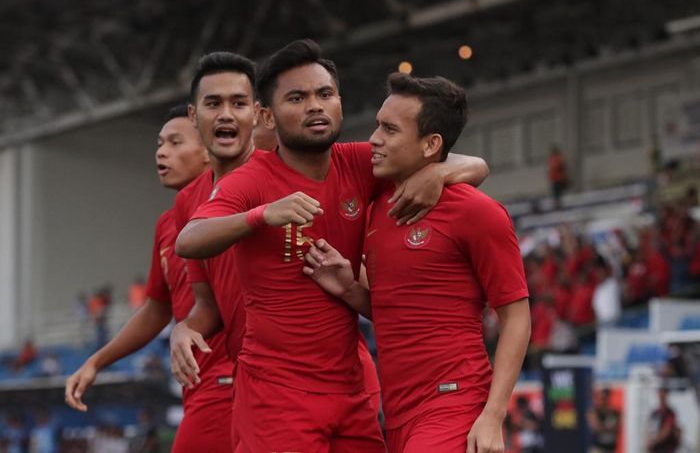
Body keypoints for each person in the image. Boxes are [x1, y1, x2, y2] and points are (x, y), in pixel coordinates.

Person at [175, 39, 489, 452]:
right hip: (277, 397)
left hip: (351, 394)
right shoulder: (252, 180)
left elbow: (476, 165)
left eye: (324, 94)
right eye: (297, 97)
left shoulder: (359, 163)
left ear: (339, 102)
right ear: (267, 116)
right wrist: (262, 216)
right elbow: (189, 239)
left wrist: (436, 175)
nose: (315, 106)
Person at [303, 73, 530, 452]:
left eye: (389, 130)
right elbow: (401, 313)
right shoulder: (377, 210)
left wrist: (493, 415)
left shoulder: (477, 212)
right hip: (398, 414)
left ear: (431, 144)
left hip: (454, 402)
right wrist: (349, 290)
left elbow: (517, 316)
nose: (374, 139)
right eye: (377, 126)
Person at [64, 105, 234, 453]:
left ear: (208, 151)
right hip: (197, 388)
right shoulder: (166, 224)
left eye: (175, 142)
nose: (161, 151)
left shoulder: (237, 204)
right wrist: (96, 361)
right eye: (159, 143)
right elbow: (157, 309)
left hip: (230, 385)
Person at [646, 387, 681, 453]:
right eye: (660, 394)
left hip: (666, 448)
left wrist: (654, 441)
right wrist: (649, 441)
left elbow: (667, 430)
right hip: (656, 448)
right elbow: (650, 428)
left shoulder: (669, 413)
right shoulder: (654, 413)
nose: (661, 396)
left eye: (663, 394)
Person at [588, 388, 621, 453]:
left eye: (605, 398)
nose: (603, 400)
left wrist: (604, 428)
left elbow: (617, 429)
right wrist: (609, 428)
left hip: (611, 448)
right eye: (602, 398)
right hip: (598, 448)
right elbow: (597, 428)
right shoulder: (595, 411)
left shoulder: (616, 412)